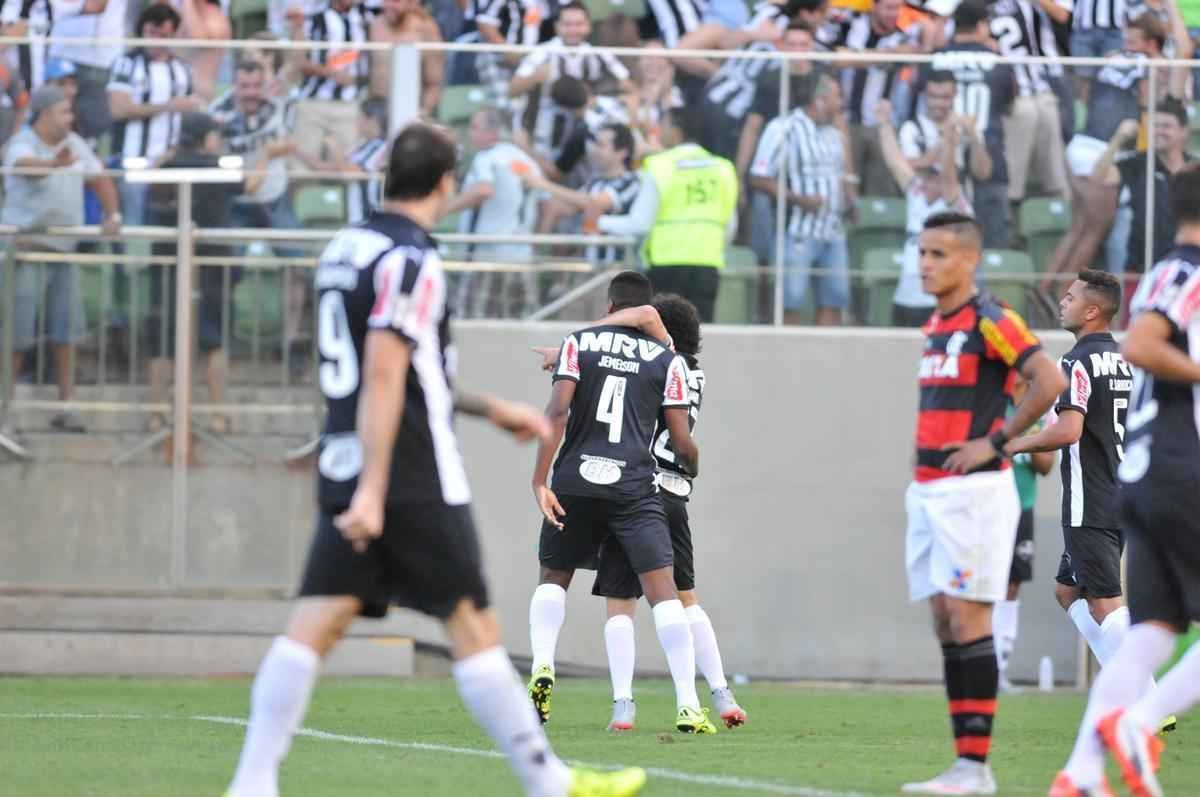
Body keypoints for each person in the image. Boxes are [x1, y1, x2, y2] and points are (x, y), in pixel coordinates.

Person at [221, 122, 648, 797]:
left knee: (317, 622)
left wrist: (490, 407)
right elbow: (386, 373)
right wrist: (376, 489)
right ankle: (548, 782)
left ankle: (251, 783)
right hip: (408, 471)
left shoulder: (347, 246)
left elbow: (405, 370)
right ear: (447, 182)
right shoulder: (412, 258)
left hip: (348, 456)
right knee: (472, 622)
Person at [1046, 163, 1200, 797]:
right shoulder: (1187, 273)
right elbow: (1143, 344)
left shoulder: (1164, 271)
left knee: (1147, 631)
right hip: (1178, 469)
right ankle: (1139, 722)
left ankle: (1081, 772)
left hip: (1140, 477)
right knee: (1127, 621)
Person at [901, 210, 1065, 795]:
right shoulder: (935, 323)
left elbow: (1049, 380)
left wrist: (996, 443)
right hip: (929, 490)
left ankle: (974, 767)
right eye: (922, 252)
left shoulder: (991, 317)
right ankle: (964, 763)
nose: (925, 264)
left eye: (938, 254)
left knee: (969, 617)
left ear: (969, 260)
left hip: (973, 493)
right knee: (945, 620)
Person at [526, 271, 714, 735]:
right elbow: (681, 441)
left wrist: (540, 479)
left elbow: (557, 412)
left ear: (610, 308)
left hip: (575, 480)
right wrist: (692, 464)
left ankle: (542, 666)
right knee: (664, 592)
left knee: (554, 576)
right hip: (633, 486)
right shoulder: (668, 359)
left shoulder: (579, 343)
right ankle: (689, 704)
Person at [587, 294, 748, 733]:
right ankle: (722, 692)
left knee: (621, 601)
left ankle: (624, 703)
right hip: (676, 493)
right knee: (686, 597)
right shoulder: (695, 374)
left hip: (638, 492)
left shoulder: (658, 367)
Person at [1, 85, 120, 441]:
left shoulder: (76, 143)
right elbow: (24, 167)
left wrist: (113, 214)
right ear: (44, 115)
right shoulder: (22, 143)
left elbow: (99, 177)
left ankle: (66, 406)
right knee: (16, 336)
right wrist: (54, 164)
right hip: (27, 252)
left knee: (66, 332)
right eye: (63, 111)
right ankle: (3, 414)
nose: (70, 117)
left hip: (64, 251)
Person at [1045, 12, 1191, 290]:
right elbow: (1147, 98)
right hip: (1103, 148)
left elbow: (1087, 93)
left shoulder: (1114, 58)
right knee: (1093, 232)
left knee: (1078, 229)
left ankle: (1043, 292)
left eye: (1132, 41)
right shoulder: (1151, 67)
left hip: (1082, 144)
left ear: (1150, 42)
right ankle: (1062, 298)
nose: (1127, 45)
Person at [143, 113, 240, 435]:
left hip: (168, 262)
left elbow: (151, 186)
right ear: (206, 138)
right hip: (211, 264)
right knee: (215, 340)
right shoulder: (218, 167)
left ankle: (156, 415)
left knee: (163, 341)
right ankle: (218, 414)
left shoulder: (166, 167)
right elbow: (251, 184)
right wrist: (268, 156)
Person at [596, 107, 739, 323]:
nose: (659, 131)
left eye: (663, 125)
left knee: (661, 337)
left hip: (665, 264)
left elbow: (640, 223)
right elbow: (730, 225)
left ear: (676, 131)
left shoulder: (660, 166)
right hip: (707, 265)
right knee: (698, 334)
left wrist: (600, 221)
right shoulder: (723, 168)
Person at [749, 73, 850, 326]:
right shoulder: (784, 128)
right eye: (837, 97)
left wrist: (848, 198)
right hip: (797, 232)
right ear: (820, 99)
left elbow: (839, 175)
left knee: (835, 299)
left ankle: (828, 350)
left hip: (833, 230)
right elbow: (759, 177)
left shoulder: (834, 132)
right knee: (790, 301)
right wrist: (798, 199)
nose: (841, 103)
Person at [915, 0, 1015, 251]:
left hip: (944, 158)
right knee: (992, 243)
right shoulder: (997, 61)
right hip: (989, 151)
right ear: (981, 25)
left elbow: (917, 101)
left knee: (945, 243)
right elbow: (1009, 103)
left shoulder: (934, 58)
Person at [875, 97, 971, 327]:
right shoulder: (916, 193)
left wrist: (948, 139)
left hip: (938, 300)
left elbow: (949, 175)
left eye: (933, 177)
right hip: (905, 297)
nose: (927, 181)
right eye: (926, 175)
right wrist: (884, 124)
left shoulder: (956, 204)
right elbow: (895, 162)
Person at [440, 106, 541, 319]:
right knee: (519, 325)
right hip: (521, 256)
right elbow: (546, 204)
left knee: (474, 322)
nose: (469, 133)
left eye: (475, 127)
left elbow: (484, 190)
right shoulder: (528, 162)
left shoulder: (487, 157)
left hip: (488, 255)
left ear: (492, 133)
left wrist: (442, 210)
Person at [816, 0, 924, 197]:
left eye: (897, 8)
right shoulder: (850, 25)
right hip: (846, 122)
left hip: (882, 126)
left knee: (881, 193)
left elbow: (917, 52)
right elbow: (831, 56)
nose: (894, 13)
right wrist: (885, 55)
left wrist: (860, 57)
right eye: (888, 7)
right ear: (874, 6)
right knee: (844, 187)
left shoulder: (902, 37)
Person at [107, 3, 200, 228]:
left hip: (170, 160)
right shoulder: (126, 64)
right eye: (152, 33)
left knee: (172, 221)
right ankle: (130, 252)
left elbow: (190, 111)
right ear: (142, 30)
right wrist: (168, 106)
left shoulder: (182, 69)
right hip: (133, 158)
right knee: (133, 221)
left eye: (163, 36)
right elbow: (118, 109)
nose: (156, 41)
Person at [992, 372, 1055, 693]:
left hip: (1022, 507)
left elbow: (1046, 465)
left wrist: (1026, 438)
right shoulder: (993, 403)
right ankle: (978, 665)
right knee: (986, 584)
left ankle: (1000, 668)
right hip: (990, 508)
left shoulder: (1037, 411)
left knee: (1012, 584)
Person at [987, 0, 1070, 230]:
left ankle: (1059, 201)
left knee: (1046, 111)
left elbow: (1062, 16)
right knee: (1026, 113)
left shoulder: (1028, 6)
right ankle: (1010, 210)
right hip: (1003, 91)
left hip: (1037, 84)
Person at [507, 3, 632, 156]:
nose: (573, 30)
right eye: (567, 24)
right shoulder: (542, 53)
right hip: (543, 140)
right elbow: (512, 90)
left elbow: (630, 88)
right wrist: (535, 77)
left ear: (588, 26)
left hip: (587, 142)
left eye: (578, 24)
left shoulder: (599, 55)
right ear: (557, 27)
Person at [515, 122, 641, 266]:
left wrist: (543, 184)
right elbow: (563, 207)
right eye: (595, 144)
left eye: (601, 145)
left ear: (622, 152)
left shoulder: (630, 181)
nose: (594, 150)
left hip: (617, 270)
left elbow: (594, 203)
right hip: (591, 268)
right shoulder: (595, 182)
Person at [1094, 98, 1197, 275]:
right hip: (1140, 270)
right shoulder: (1137, 164)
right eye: (1154, 126)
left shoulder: (1194, 169)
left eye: (1166, 126)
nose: (1159, 131)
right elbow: (1097, 180)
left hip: (1187, 268)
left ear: (1183, 132)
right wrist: (1118, 139)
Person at [288, 0, 370, 173]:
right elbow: (298, 60)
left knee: (350, 166)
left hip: (350, 105)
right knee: (301, 168)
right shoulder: (313, 20)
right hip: (313, 102)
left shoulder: (366, 20)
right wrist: (330, 73)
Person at [368, 0, 443, 117]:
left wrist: (423, 113)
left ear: (411, 2)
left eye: (396, 1)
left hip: (412, 110)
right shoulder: (375, 25)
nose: (389, 6)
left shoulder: (426, 28)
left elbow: (434, 83)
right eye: (386, 1)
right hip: (377, 111)